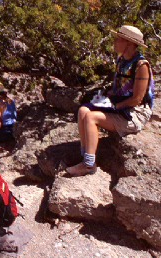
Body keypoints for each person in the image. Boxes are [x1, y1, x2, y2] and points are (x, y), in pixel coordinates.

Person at [66, 25, 155, 176]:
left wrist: (114, 106)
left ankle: (88, 165)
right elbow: (119, 88)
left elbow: (137, 99)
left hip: (134, 113)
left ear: (129, 44)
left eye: (119, 39)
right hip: (121, 106)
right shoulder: (122, 61)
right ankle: (86, 156)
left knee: (91, 117)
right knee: (83, 111)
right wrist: (105, 97)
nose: (115, 42)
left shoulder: (141, 65)